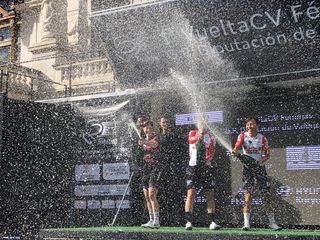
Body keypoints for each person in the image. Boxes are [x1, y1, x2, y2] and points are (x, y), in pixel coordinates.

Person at [232, 117, 282, 231]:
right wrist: (235, 151)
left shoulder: (262, 138)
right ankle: (246, 224)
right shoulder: (242, 136)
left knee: (266, 195)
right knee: (248, 195)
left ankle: (272, 223)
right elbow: (237, 146)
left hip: (260, 169)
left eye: (251, 124)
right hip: (247, 169)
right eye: (247, 124)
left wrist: (260, 162)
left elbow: (267, 154)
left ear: (257, 125)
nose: (249, 126)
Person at [184, 117, 221, 230]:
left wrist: (207, 162)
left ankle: (212, 222)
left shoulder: (211, 136)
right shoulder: (192, 133)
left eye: (205, 122)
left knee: (209, 194)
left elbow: (211, 152)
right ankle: (188, 222)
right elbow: (191, 141)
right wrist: (199, 134)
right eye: (201, 122)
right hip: (193, 167)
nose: (203, 124)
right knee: (191, 193)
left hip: (205, 167)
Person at [157, 116, 185, 226]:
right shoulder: (158, 137)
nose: (165, 124)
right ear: (160, 124)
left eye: (167, 122)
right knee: (164, 193)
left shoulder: (175, 136)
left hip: (174, 167)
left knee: (176, 192)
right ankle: (166, 218)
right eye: (163, 122)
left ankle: (178, 219)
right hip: (162, 168)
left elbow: (181, 151)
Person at [138, 121, 162, 228]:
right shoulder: (142, 139)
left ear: (152, 128)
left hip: (155, 167)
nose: (147, 128)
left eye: (149, 126)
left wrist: (145, 142)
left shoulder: (156, 137)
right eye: (145, 127)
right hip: (146, 168)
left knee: (152, 194)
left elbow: (154, 144)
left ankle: (157, 221)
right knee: (147, 196)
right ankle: (151, 220)